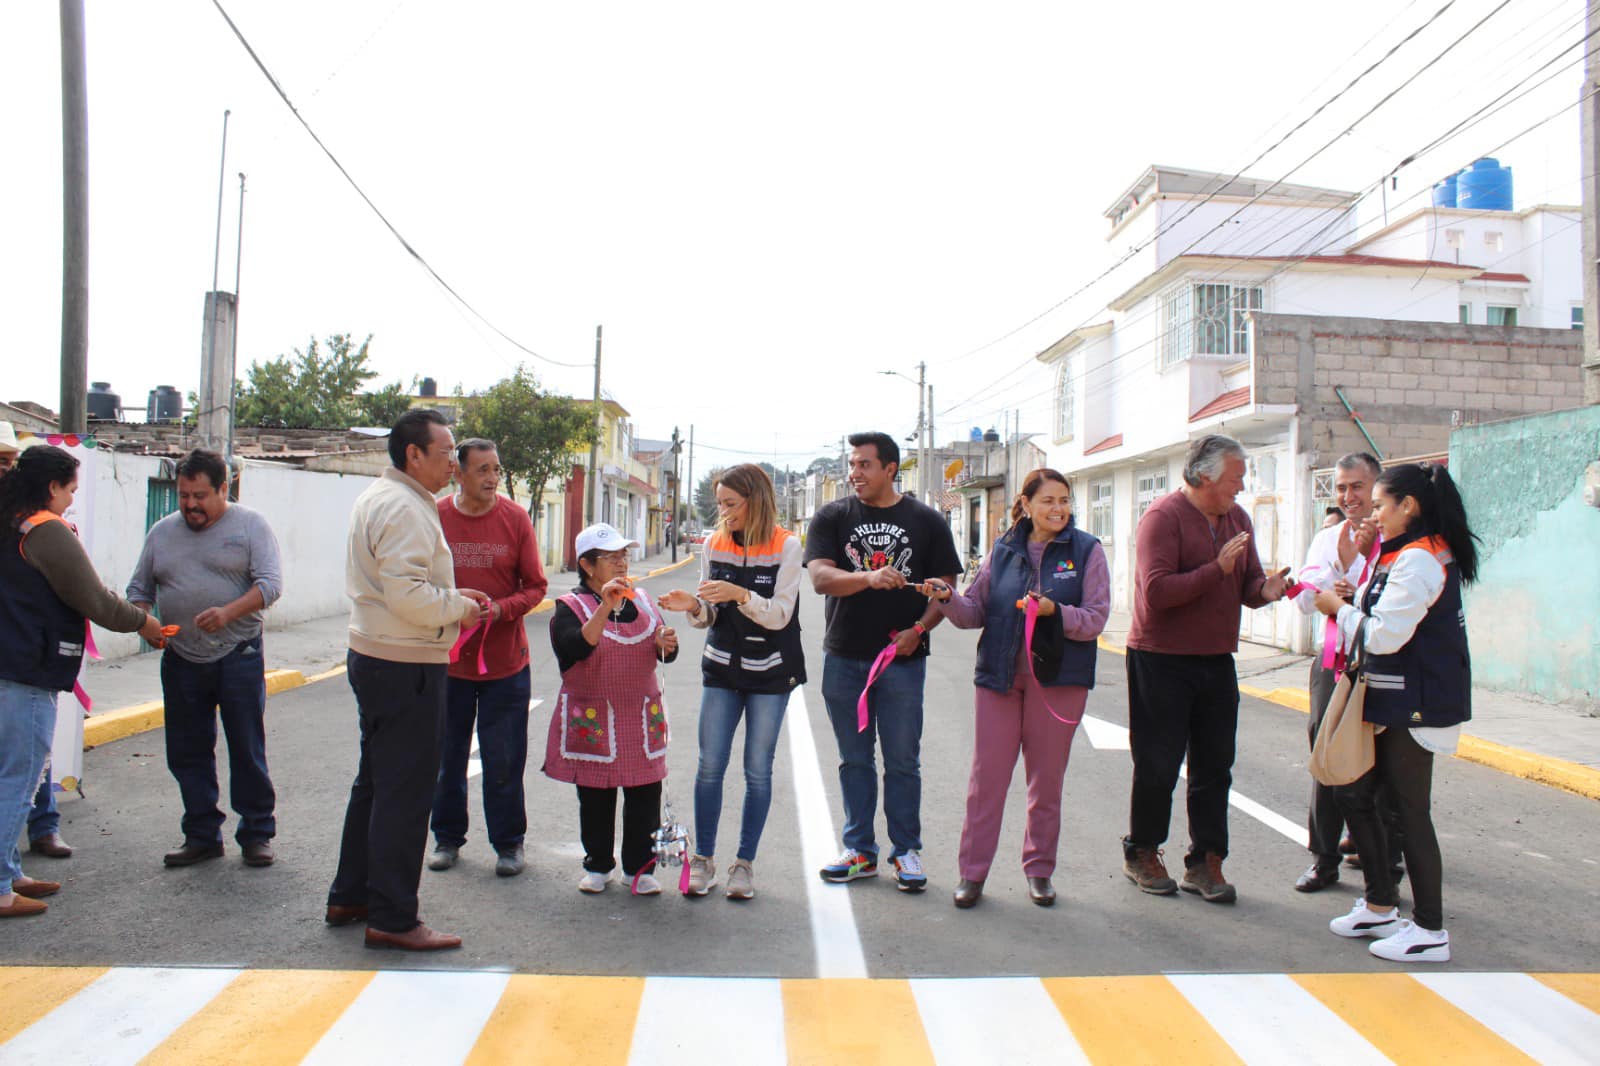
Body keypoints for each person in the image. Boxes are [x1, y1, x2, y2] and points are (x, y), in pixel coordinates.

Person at [327, 410, 488, 951]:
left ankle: (353, 893)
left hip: (379, 653)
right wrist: (461, 607)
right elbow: (409, 595)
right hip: (404, 661)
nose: (452, 463)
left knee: (375, 782)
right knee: (405, 791)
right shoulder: (403, 507)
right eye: (445, 453)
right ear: (413, 454)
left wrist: (456, 602)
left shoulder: (386, 498)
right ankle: (393, 917)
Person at [1315, 463, 1477, 963]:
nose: (1373, 515)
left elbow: (1385, 634)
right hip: (1391, 699)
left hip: (1417, 704)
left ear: (1408, 506)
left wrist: (1336, 609)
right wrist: (1351, 596)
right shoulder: (1401, 554)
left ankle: (1429, 929)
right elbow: (1376, 614)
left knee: (1408, 815)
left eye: (1381, 505)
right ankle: (1381, 902)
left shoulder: (1422, 560)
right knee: (1355, 792)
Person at [928, 469, 1109, 909]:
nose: (1059, 509)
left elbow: (1095, 618)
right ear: (1026, 504)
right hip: (999, 678)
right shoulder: (1004, 549)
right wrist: (947, 598)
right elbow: (975, 613)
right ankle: (972, 874)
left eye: (1064, 500)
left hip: (1058, 682)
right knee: (985, 781)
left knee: (1045, 782)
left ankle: (1039, 871)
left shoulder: (1086, 551)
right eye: (1048, 500)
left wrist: (1054, 611)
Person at [1121, 434, 1290, 903]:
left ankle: (1206, 861)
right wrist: (1216, 569)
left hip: (1216, 659)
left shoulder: (1238, 518)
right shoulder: (1162, 518)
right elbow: (1156, 594)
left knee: (1215, 765)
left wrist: (1267, 589)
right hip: (1161, 658)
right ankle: (1142, 851)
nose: (1241, 485)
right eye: (1235, 477)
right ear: (1203, 476)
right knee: (1157, 763)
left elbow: (1248, 585)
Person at [0, 446, 166, 916]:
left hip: (8, 667)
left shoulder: (11, 523)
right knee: (17, 780)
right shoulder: (46, 530)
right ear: (52, 487)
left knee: (9, 776)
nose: (71, 500)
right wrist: (144, 624)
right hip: (27, 673)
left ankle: (11, 872)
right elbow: (94, 598)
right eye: (70, 490)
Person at [805, 431, 961, 892]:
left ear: (891, 469)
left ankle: (906, 851)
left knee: (902, 761)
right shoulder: (833, 516)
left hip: (903, 659)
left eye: (864, 465)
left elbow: (945, 584)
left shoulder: (927, 520)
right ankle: (859, 851)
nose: (854, 473)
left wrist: (920, 630)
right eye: (851, 465)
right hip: (845, 657)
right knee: (854, 760)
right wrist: (869, 577)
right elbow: (820, 578)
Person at [127, 449, 284, 868]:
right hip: (181, 659)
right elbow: (139, 591)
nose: (191, 504)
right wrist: (146, 623)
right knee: (187, 750)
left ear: (223, 488)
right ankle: (201, 834)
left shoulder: (251, 525)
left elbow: (271, 585)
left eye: (200, 495)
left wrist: (228, 612)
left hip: (239, 654)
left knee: (246, 747)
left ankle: (256, 833)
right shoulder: (161, 533)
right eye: (183, 496)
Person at [659, 464, 804, 901]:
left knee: (757, 771)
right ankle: (703, 859)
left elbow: (780, 614)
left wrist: (740, 594)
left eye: (730, 504)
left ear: (755, 500)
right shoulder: (714, 542)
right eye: (719, 503)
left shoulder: (787, 545)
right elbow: (709, 616)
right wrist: (693, 607)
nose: (722, 513)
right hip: (721, 667)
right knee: (709, 766)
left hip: (770, 672)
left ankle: (744, 864)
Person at [427, 438, 548, 879]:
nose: (493, 478)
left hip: (506, 665)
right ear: (458, 473)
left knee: (504, 759)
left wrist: (500, 610)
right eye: (482, 470)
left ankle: (509, 843)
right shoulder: (435, 517)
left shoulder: (515, 518)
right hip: (447, 663)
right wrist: (451, 605)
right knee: (446, 757)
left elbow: (536, 586)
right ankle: (446, 838)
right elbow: (420, 578)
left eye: (496, 469)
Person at [1288, 452, 1402, 893]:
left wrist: (1358, 582)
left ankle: (1387, 858)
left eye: (1357, 487)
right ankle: (1324, 857)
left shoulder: (1396, 539)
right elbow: (1303, 596)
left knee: (1386, 762)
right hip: (1334, 662)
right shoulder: (1329, 538)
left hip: (1382, 663)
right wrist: (1338, 570)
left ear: (1377, 487)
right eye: (1341, 488)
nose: (1348, 496)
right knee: (1326, 752)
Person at [543, 523, 678, 895]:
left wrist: (667, 643)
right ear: (587, 565)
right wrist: (606, 604)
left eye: (624, 555)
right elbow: (576, 648)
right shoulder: (569, 607)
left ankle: (640, 869)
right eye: (611, 557)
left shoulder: (645, 600)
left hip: (640, 716)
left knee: (644, 793)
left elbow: (665, 652)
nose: (621, 563)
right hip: (595, 717)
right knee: (596, 794)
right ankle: (598, 864)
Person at [0, 426, 73, 862]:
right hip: (19, 663)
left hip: (24, 660)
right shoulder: (31, 525)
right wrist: (141, 624)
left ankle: (37, 836)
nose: (4, 470)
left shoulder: (28, 523)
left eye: (8, 462)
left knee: (27, 766)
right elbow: (89, 595)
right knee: (19, 770)